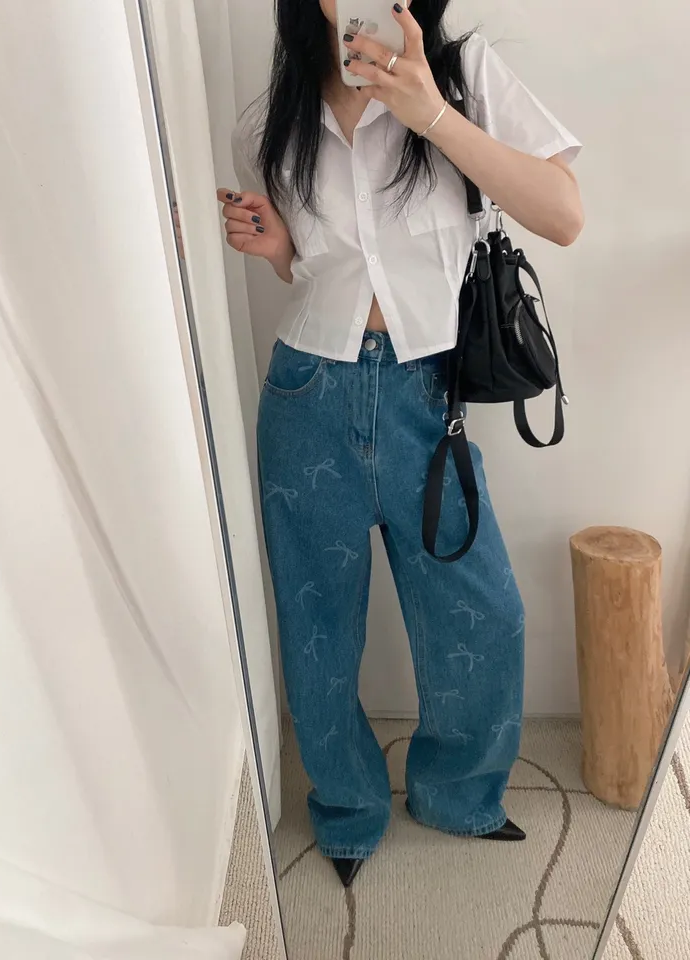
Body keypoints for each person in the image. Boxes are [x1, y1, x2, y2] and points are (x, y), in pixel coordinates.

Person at [220, 0, 583, 888]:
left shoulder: (464, 73)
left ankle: (458, 793)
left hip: (428, 396)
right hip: (308, 392)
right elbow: (320, 268)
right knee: (318, 626)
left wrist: (432, 114)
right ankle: (347, 808)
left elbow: (564, 213)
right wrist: (280, 251)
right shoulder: (272, 120)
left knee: (483, 611)